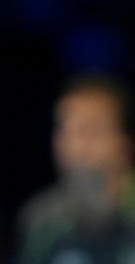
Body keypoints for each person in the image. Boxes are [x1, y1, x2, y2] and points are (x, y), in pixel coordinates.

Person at [16, 73, 135, 264]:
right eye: (64, 131)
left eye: (90, 131)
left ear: (125, 144)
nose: (74, 147)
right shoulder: (41, 219)